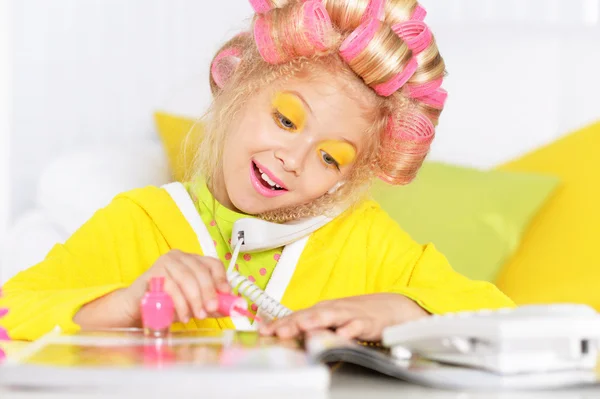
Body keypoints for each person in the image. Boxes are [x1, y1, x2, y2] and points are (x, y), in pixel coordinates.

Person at [0, 0, 514, 343]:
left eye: (331, 157)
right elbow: (11, 313)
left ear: (350, 176)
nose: (294, 158)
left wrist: (402, 312)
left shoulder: (368, 240)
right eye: (286, 120)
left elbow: (505, 320)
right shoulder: (139, 220)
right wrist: (124, 304)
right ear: (240, 89)